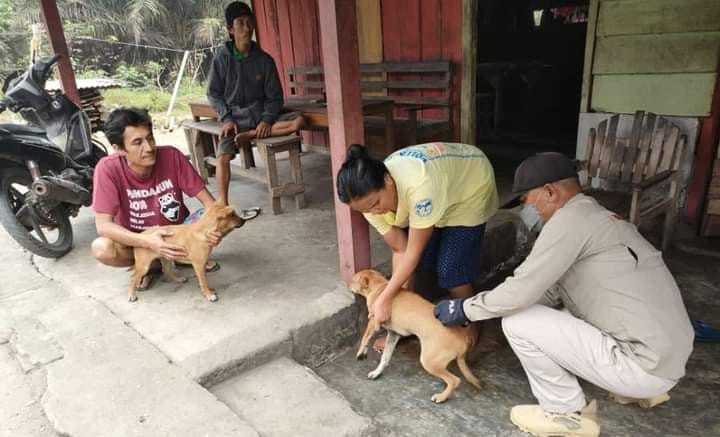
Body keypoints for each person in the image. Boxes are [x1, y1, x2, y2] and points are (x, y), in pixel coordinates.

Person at [434, 152, 694, 437]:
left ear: (549, 192)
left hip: (643, 366)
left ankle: (564, 414)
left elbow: (520, 291)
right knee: (552, 309)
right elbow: (550, 290)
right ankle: (641, 391)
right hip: (671, 357)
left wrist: (463, 308)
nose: (526, 210)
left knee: (518, 324)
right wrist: (494, 306)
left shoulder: (568, 222)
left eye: (525, 201)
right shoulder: (598, 215)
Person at [336, 142, 499, 350]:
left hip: (469, 185)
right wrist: (393, 313)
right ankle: (407, 325)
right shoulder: (369, 203)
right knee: (427, 259)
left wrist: (384, 298)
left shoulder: (420, 185)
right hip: (440, 189)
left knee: (451, 269)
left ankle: (469, 318)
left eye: (376, 203)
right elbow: (400, 249)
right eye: (365, 209)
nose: (374, 211)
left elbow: (412, 252)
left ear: (387, 179)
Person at [91, 107, 223, 290]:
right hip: (138, 238)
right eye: (137, 143)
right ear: (119, 149)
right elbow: (103, 225)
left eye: (150, 138)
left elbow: (210, 204)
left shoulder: (171, 156)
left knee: (222, 216)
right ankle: (152, 264)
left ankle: (187, 255)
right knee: (102, 248)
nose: (149, 148)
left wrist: (213, 231)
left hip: (178, 234)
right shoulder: (107, 169)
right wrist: (147, 242)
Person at [207, 1, 305, 205]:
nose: (247, 28)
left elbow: (275, 97)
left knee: (299, 122)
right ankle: (222, 205)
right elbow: (214, 93)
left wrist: (267, 119)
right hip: (235, 119)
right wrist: (226, 118)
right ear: (230, 29)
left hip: (260, 116)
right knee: (223, 158)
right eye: (240, 23)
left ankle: (250, 136)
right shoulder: (222, 59)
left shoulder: (264, 60)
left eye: (249, 22)